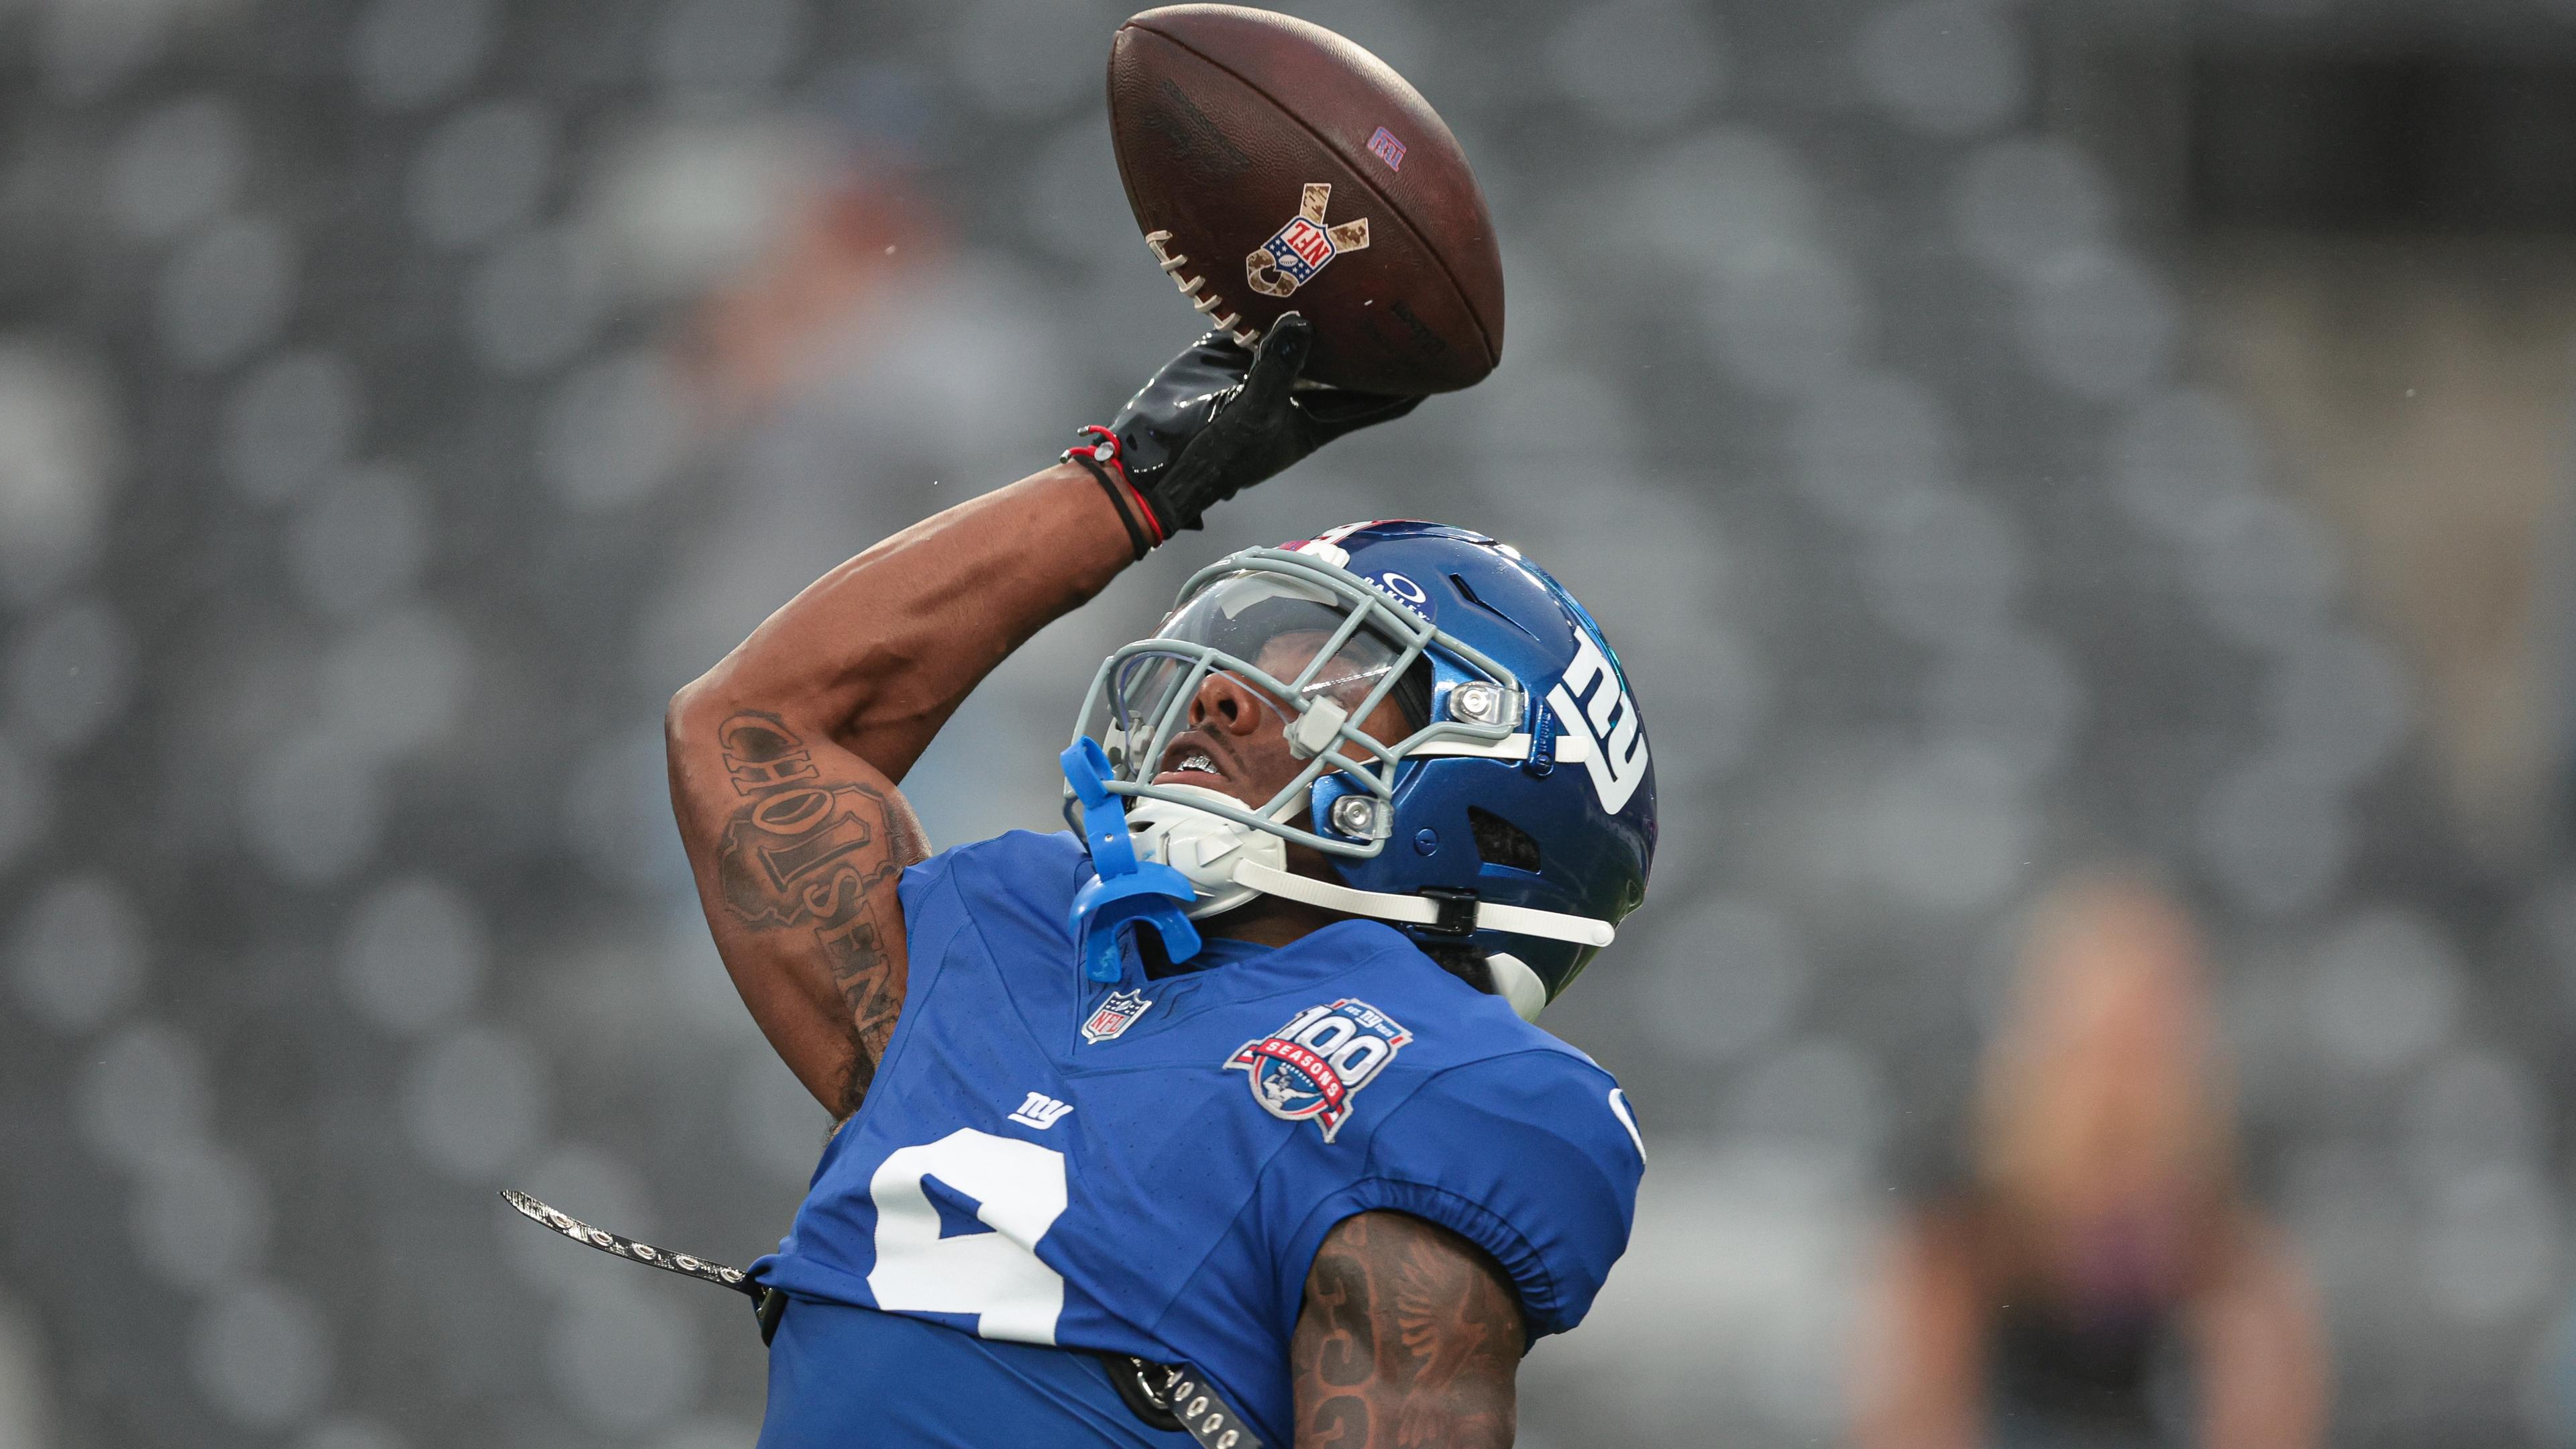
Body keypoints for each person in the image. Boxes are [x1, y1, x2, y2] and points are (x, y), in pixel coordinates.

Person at [665, 315, 1659, 1448]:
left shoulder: (1433, 1075)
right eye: (1238, 658)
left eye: (1323, 672)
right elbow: (753, 724)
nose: (1220, 697)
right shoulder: (1011, 936)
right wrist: (1130, 480)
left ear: (1492, 788)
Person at [1852, 876, 2328, 1449]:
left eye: (2143, 1052)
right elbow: (1909, 1409)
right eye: (2099, 1048)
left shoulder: (2228, 1213)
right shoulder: (1963, 1204)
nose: (2118, 1088)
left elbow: (2273, 1406)